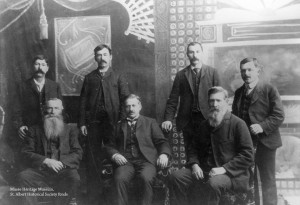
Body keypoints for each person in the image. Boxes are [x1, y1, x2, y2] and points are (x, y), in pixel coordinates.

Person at [169, 86, 254, 205]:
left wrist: (223, 169)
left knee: (213, 183)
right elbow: (193, 149)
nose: (214, 104)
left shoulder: (238, 124)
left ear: (227, 102)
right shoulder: (204, 125)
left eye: (218, 100)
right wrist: (194, 165)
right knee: (176, 176)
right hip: (204, 171)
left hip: (231, 175)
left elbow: (247, 155)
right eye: (211, 101)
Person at [78, 44, 130, 204]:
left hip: (113, 122)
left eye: (105, 54)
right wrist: (82, 123)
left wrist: (122, 120)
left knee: (114, 153)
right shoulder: (89, 78)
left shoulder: (118, 76)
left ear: (110, 56)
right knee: (92, 158)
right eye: (99, 55)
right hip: (93, 123)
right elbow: (83, 102)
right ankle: (95, 194)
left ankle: (114, 193)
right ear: (95, 58)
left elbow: (125, 99)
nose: (102, 58)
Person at [232, 58, 285, 205]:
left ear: (258, 71)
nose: (246, 73)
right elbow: (235, 118)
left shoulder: (269, 89)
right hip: (246, 145)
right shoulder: (238, 93)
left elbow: (279, 115)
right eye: (243, 70)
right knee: (249, 180)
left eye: (250, 70)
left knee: (268, 180)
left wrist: (262, 126)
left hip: (266, 143)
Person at [104, 94, 171, 205]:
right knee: (119, 179)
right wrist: (115, 155)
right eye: (128, 106)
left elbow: (162, 142)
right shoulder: (118, 125)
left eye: (133, 105)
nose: (131, 109)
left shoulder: (150, 122)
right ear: (124, 108)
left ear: (140, 106)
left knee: (145, 178)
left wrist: (164, 154)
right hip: (126, 162)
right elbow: (109, 146)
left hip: (146, 161)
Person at [18, 98, 83, 205]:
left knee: (74, 177)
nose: (52, 112)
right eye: (50, 108)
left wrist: (61, 163)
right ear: (44, 109)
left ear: (61, 109)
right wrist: (46, 161)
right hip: (40, 170)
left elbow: (77, 152)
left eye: (56, 108)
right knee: (23, 177)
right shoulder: (34, 130)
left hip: (63, 170)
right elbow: (26, 152)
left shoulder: (70, 130)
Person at [162, 42, 221, 156]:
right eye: (191, 52)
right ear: (187, 55)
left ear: (202, 53)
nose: (195, 55)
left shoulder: (212, 73)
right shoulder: (180, 75)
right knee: (190, 152)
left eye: (197, 52)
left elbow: (220, 98)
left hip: (208, 119)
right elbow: (173, 100)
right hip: (188, 121)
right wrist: (168, 119)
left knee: (209, 152)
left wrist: (219, 118)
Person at [13, 55, 63, 139]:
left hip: (50, 131)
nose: (40, 67)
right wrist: (20, 126)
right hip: (29, 131)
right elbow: (16, 110)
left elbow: (60, 109)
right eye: (37, 64)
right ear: (32, 67)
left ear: (47, 68)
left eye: (43, 65)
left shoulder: (55, 86)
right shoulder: (22, 87)